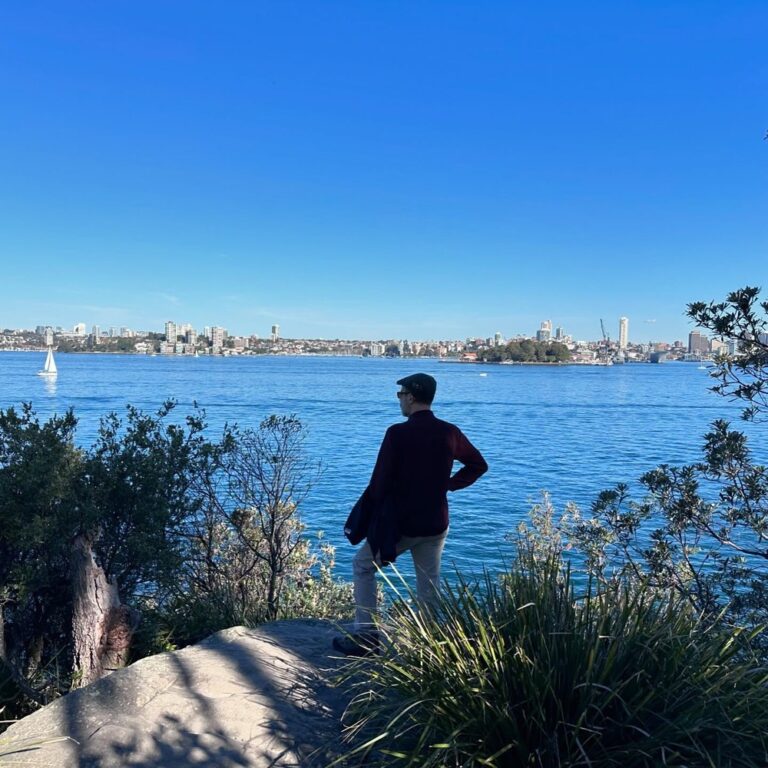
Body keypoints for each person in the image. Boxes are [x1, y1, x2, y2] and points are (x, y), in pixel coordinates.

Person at [333, 372, 488, 656]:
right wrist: (449, 486)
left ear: (412, 397)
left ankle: (365, 637)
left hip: (402, 524)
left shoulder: (398, 433)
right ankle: (430, 646)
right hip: (436, 523)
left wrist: (365, 518)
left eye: (400, 394)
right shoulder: (449, 432)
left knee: (362, 566)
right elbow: (478, 465)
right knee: (429, 584)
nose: (399, 400)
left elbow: (378, 484)